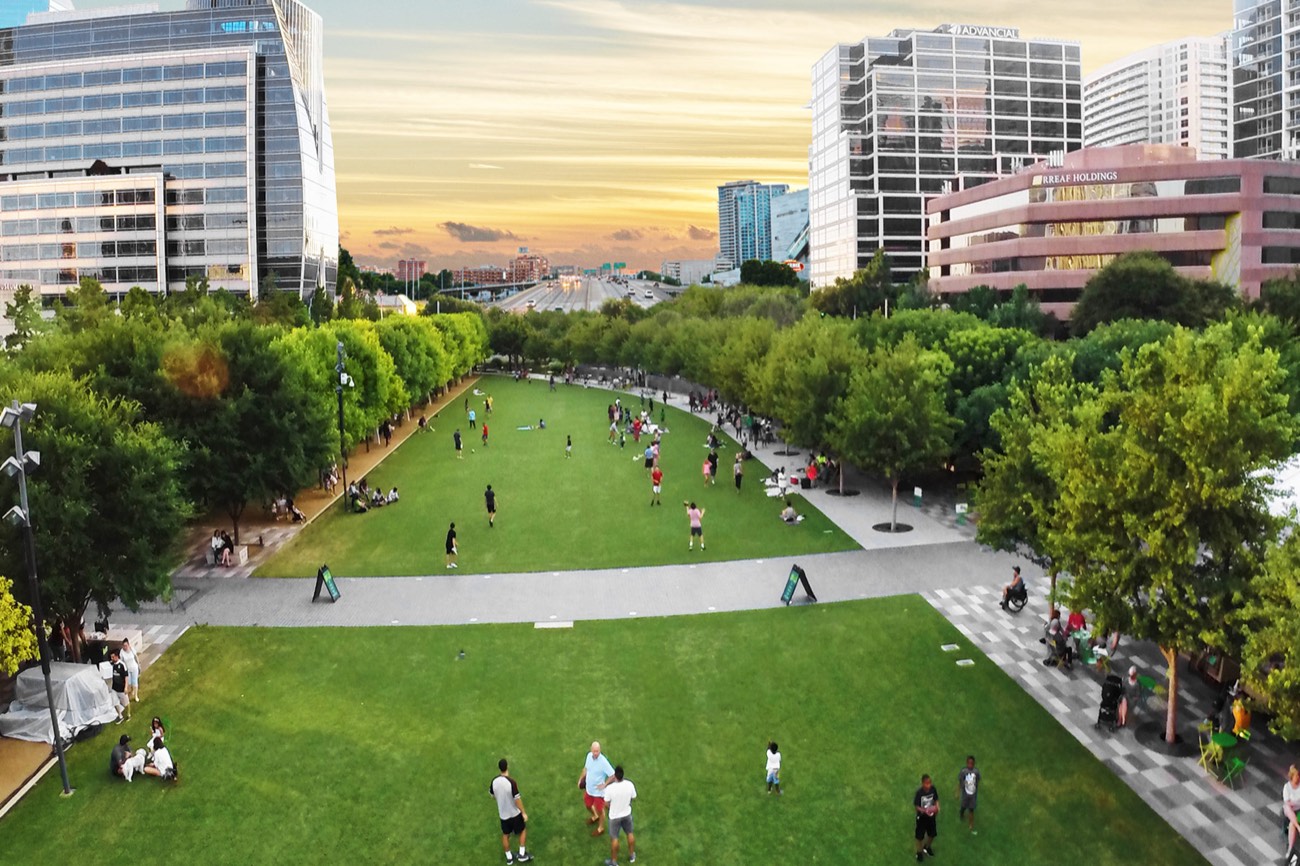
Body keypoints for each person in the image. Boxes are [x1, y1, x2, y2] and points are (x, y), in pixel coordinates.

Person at [491, 758, 532, 864]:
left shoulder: (494, 782)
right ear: (507, 767)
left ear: (499, 768)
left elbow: (492, 796)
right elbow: (517, 799)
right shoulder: (511, 782)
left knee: (506, 835)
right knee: (522, 830)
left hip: (503, 815)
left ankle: (509, 857)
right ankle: (522, 854)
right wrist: (523, 812)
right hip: (514, 814)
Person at [579, 741, 615, 836]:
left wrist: (605, 784)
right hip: (589, 789)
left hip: (598, 792)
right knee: (587, 805)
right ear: (591, 750)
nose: (596, 753)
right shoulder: (589, 756)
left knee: (600, 810)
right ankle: (595, 816)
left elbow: (613, 775)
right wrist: (580, 779)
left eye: (597, 751)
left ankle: (601, 828)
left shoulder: (603, 762)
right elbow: (586, 769)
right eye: (594, 751)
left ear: (600, 750)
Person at [604, 765, 637, 865]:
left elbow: (606, 803)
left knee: (614, 838)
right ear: (623, 775)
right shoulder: (629, 784)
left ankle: (614, 861)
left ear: (615, 776)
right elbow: (633, 797)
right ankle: (632, 855)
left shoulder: (610, 788)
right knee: (630, 833)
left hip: (614, 817)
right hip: (627, 813)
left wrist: (612, 808)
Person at [914, 773, 939, 861]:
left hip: (931, 817)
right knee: (919, 837)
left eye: (930, 783)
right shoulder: (919, 793)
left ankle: (927, 847)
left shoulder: (933, 789)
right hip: (922, 818)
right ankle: (919, 852)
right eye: (927, 783)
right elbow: (917, 806)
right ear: (923, 783)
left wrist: (937, 807)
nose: (929, 785)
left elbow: (936, 799)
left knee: (932, 834)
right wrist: (925, 811)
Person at [957, 755, 979, 833]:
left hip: (973, 795)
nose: (970, 765)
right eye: (969, 763)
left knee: (971, 809)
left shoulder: (976, 772)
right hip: (965, 794)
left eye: (972, 763)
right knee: (963, 806)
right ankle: (961, 814)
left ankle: (971, 825)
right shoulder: (964, 772)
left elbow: (977, 781)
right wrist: (958, 792)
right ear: (966, 763)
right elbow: (960, 782)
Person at [108, 650, 131, 723]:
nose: (111, 658)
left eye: (113, 657)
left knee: (126, 703)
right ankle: (120, 716)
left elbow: (126, 677)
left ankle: (128, 714)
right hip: (114, 688)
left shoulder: (122, 665)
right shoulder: (111, 664)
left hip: (122, 688)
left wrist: (126, 687)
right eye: (111, 657)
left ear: (117, 656)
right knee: (115, 702)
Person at [1284, 765, 1300, 859]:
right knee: (1287, 808)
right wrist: (1296, 802)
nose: (1297, 777)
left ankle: (1296, 826)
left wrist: (1295, 802)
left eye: (1298, 775)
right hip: (1291, 810)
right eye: (1296, 775)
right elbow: (1287, 803)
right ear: (1292, 776)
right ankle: (1290, 849)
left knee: (1291, 825)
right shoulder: (1287, 787)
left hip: (1299, 809)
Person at [119, 637, 141, 703]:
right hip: (127, 669)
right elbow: (122, 661)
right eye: (123, 646)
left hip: (134, 668)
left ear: (128, 645)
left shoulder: (132, 649)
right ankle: (132, 691)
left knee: (135, 682)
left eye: (126, 645)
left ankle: (136, 695)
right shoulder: (122, 652)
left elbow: (136, 657)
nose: (125, 647)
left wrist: (139, 664)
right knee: (129, 682)